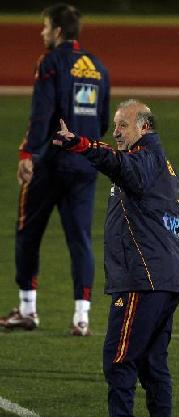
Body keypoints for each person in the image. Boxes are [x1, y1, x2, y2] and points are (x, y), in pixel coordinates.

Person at [53, 99, 179, 417]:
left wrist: (81, 144)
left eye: (122, 125)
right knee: (152, 364)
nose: (115, 132)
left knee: (119, 358)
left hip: (144, 278)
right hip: (165, 276)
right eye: (114, 125)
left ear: (144, 127)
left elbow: (119, 165)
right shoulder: (156, 162)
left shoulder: (145, 157)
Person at [0, 3, 110, 336]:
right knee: (81, 239)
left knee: (27, 233)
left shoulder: (50, 63)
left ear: (58, 31)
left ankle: (28, 309)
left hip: (50, 163)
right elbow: (103, 121)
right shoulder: (98, 67)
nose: (42, 32)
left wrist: (27, 153)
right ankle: (82, 317)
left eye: (45, 27)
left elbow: (42, 114)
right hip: (84, 163)